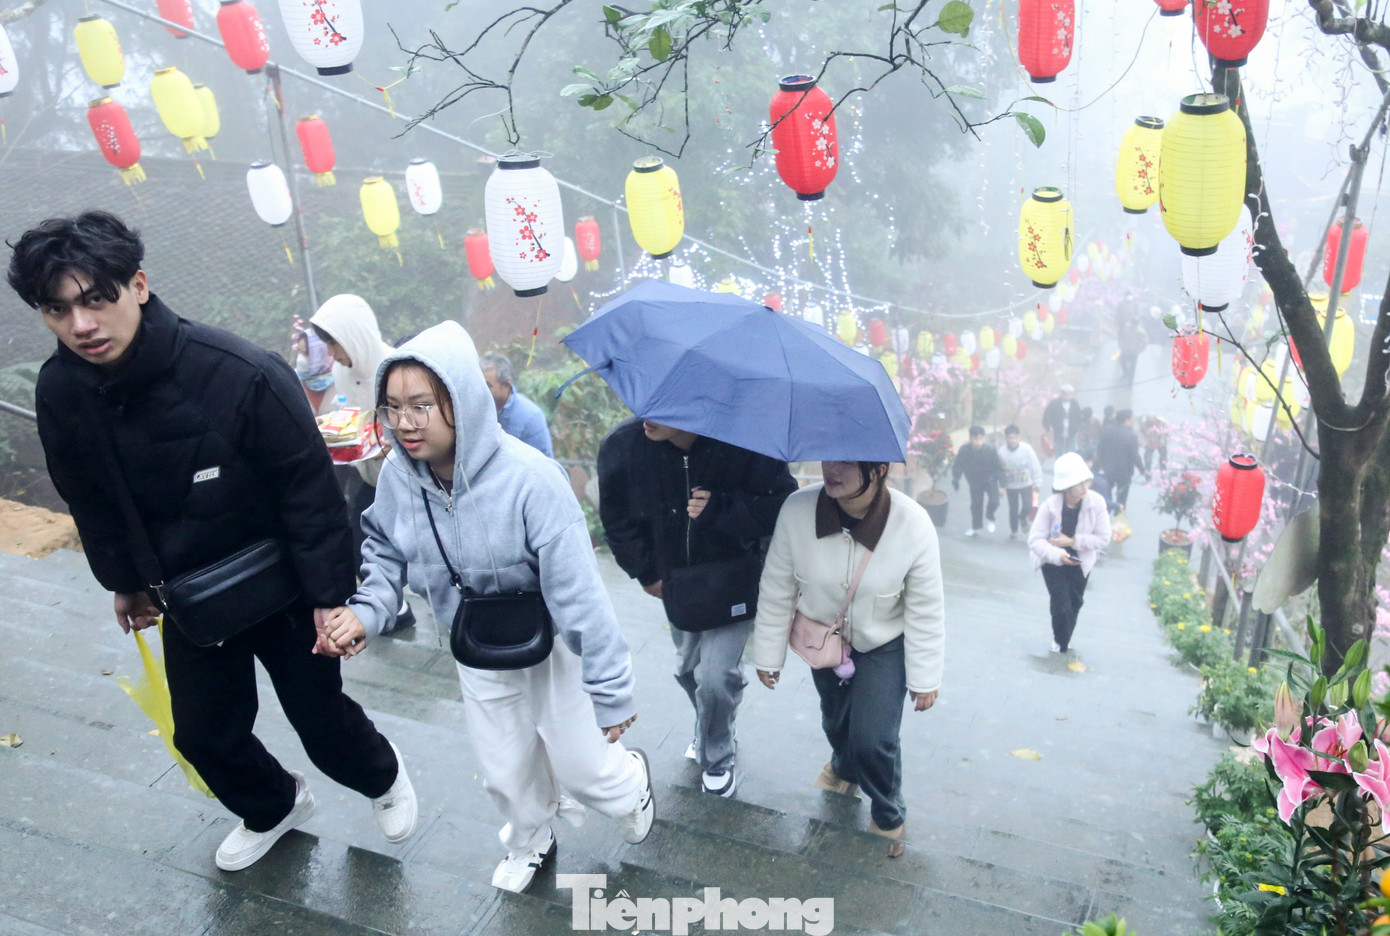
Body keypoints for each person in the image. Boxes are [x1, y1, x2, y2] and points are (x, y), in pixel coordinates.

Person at [13, 211, 416, 872]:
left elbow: (308, 489)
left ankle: (383, 777)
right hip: (190, 595)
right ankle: (274, 803)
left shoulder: (238, 371)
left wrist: (327, 597)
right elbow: (86, 494)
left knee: (322, 724)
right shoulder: (62, 391)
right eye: (57, 310)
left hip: (285, 587)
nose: (80, 324)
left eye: (95, 299)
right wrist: (126, 580)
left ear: (137, 284)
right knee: (202, 735)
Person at [318, 321, 653, 895]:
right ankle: (530, 841)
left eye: (422, 404)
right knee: (505, 769)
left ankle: (632, 784)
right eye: (394, 406)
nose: (405, 422)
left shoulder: (532, 480)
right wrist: (367, 611)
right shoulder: (400, 475)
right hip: (474, 645)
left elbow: (581, 597)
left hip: (549, 647)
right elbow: (382, 549)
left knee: (585, 769)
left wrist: (611, 689)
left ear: (462, 400)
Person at [752, 460, 945, 858]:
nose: (831, 469)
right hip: (823, 636)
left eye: (845, 461)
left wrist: (925, 678)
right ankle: (843, 769)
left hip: (884, 642)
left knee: (873, 738)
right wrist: (768, 654)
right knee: (836, 719)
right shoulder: (797, 510)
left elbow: (926, 608)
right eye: (827, 458)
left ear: (876, 469)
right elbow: (776, 586)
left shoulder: (913, 524)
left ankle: (889, 812)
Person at [597, 416, 796, 797]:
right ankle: (711, 725)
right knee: (688, 670)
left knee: (717, 678)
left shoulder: (746, 440)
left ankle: (717, 754)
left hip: (735, 579)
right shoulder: (624, 445)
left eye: (664, 406)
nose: (648, 415)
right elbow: (616, 520)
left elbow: (783, 504)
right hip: (678, 585)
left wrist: (723, 508)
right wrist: (647, 573)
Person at [309, 294, 415, 633]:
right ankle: (395, 610)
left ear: (355, 336)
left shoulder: (393, 367)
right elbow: (342, 415)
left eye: (335, 343)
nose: (332, 354)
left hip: (405, 476)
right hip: (367, 475)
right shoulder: (341, 372)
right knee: (360, 542)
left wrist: (392, 437)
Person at [1029, 452, 1111, 654]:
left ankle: (1064, 638)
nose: (1084, 487)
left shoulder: (1097, 503)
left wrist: (1073, 542)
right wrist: (1057, 554)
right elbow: (1035, 540)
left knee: (1075, 602)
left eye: (1086, 481)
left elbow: (1103, 538)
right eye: (1078, 483)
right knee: (1061, 603)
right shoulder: (1050, 506)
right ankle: (1060, 642)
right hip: (1052, 561)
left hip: (1080, 561)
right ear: (1066, 486)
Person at [481, 352, 554, 457]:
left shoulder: (531, 418)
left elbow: (543, 466)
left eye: (488, 386)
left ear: (506, 386)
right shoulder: (475, 411)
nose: (482, 391)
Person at [951, 425, 1002, 536]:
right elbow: (958, 466)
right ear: (970, 438)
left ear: (983, 438)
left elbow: (998, 467)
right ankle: (976, 527)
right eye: (975, 439)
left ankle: (990, 516)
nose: (977, 442)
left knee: (994, 501)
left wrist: (1002, 484)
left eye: (980, 439)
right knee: (976, 504)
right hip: (974, 480)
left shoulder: (990, 449)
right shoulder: (964, 450)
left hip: (990, 479)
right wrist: (956, 481)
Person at [1096, 409, 1150, 510]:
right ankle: (1118, 519)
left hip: (1108, 469)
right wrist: (1143, 470)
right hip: (1124, 473)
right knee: (1122, 498)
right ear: (1127, 420)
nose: (1133, 420)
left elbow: (1100, 449)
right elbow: (1135, 456)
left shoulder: (1107, 429)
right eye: (1132, 418)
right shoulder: (1131, 435)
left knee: (1105, 493)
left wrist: (1100, 464)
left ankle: (1104, 513)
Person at [996, 424, 1042, 541]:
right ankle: (1014, 530)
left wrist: (1037, 482)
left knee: (1028, 505)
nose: (1012, 441)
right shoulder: (1001, 452)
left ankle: (1022, 518)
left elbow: (1034, 465)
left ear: (1018, 438)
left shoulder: (1026, 449)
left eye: (1014, 438)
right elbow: (999, 471)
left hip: (1026, 483)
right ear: (1006, 438)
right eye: (1010, 438)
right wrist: (1001, 486)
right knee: (1013, 508)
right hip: (1011, 485)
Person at [1042, 384, 1082, 455]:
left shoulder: (1075, 404)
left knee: (1071, 453)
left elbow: (1079, 417)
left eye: (1070, 394)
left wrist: (1078, 427)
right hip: (1058, 432)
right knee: (1059, 452)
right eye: (1066, 394)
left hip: (1071, 432)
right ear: (1062, 394)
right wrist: (1048, 427)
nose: (1068, 396)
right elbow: (1047, 416)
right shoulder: (1054, 403)